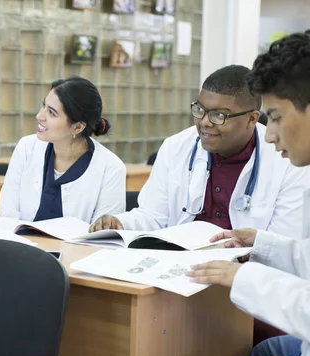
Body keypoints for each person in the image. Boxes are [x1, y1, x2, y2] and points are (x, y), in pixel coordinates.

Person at [151, 31, 310, 356]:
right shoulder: (178, 147)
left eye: (275, 118)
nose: (269, 136)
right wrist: (265, 244)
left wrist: (243, 276)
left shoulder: (293, 170)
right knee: (254, 353)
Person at [90, 65, 309, 238]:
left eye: (218, 115)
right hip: (179, 266)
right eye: (200, 110)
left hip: (246, 273)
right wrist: (121, 223)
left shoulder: (287, 158)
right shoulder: (176, 147)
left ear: (251, 118)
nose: (204, 122)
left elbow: (284, 242)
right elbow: (152, 216)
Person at [0, 76, 126, 224]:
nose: (39, 116)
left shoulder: (111, 168)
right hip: (20, 246)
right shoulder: (26, 147)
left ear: (77, 127)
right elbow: (7, 216)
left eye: (52, 113)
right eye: (43, 105)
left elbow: (102, 234)